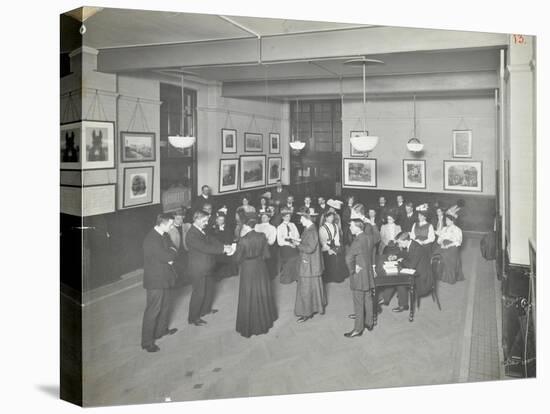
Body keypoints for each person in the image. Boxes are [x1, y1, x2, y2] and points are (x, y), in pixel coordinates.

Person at [234, 213, 278, 337]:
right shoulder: (262, 236)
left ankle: (251, 325)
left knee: (249, 294)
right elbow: (267, 255)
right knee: (262, 291)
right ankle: (266, 320)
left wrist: (233, 251)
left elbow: (237, 259)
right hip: (260, 265)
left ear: (246, 226)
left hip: (248, 268)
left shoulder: (243, 240)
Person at [186, 210, 232, 326]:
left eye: (206, 220)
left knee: (209, 290)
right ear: (196, 219)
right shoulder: (191, 234)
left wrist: (223, 245)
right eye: (204, 221)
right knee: (199, 293)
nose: (206, 223)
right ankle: (193, 317)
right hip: (198, 269)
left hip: (207, 266)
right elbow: (205, 247)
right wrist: (223, 250)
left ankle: (205, 310)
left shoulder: (202, 230)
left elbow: (212, 240)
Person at [141, 213, 179, 353]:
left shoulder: (164, 235)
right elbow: (168, 255)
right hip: (155, 280)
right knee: (153, 310)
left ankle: (161, 331)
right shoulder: (151, 239)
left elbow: (173, 249)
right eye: (170, 224)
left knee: (166, 305)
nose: (172, 227)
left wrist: (171, 254)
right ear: (162, 223)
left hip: (165, 276)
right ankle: (147, 342)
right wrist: (171, 254)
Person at [381, 231, 434, 312]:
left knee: (399, 280)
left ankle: (403, 305)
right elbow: (404, 254)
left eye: (399, 243)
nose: (399, 245)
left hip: (422, 276)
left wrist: (400, 261)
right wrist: (396, 256)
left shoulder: (417, 248)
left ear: (405, 241)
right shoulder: (411, 244)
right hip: (416, 269)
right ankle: (385, 299)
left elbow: (411, 265)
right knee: (393, 275)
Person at [344, 219, 376, 338]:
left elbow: (348, 258)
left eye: (352, 226)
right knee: (368, 298)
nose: (350, 228)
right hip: (367, 272)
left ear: (358, 227)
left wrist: (352, 269)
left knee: (358, 302)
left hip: (359, 274)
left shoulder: (357, 241)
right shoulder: (369, 237)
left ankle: (358, 329)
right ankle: (369, 323)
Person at [293, 209, 326, 322]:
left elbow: (309, 248)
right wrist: (300, 241)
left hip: (308, 264)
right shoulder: (310, 229)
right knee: (313, 287)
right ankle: (315, 308)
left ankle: (306, 313)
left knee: (305, 289)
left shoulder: (311, 231)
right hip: (312, 264)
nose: (300, 220)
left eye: (302, 218)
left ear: (307, 219)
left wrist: (298, 244)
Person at [435, 214, 464, 284]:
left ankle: (448, 277)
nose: (446, 221)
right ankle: (438, 275)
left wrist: (448, 246)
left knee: (446, 255)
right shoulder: (444, 228)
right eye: (446, 220)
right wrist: (441, 243)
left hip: (452, 246)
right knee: (435, 254)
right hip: (443, 245)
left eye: (448, 220)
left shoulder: (457, 229)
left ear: (452, 221)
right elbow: (439, 239)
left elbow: (458, 241)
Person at [319, 210, 347, 283]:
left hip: (334, 245)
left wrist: (338, 247)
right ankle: (329, 277)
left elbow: (337, 238)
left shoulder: (335, 226)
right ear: (326, 218)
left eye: (332, 217)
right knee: (330, 259)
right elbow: (322, 241)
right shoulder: (322, 228)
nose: (332, 218)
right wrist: (329, 249)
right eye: (330, 217)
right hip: (326, 246)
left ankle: (337, 277)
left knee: (339, 256)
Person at [210, 213, 237, 279]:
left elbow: (230, 237)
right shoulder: (213, 228)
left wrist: (227, 244)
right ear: (216, 220)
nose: (221, 221)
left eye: (222, 220)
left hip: (226, 245)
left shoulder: (227, 228)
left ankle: (227, 273)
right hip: (218, 246)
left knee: (227, 259)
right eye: (219, 220)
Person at [276, 208, 300, 284]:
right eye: (286, 216)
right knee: (291, 258)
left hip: (293, 243)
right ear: (283, 217)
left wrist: (294, 241)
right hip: (285, 246)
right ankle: (287, 278)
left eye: (289, 216)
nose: (288, 218)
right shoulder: (280, 227)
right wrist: (289, 244)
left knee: (298, 257)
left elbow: (297, 235)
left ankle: (296, 276)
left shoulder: (292, 225)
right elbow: (279, 241)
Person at [167, 207, 191, 283]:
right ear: (173, 218)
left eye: (181, 218)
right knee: (178, 269)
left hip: (185, 250)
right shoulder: (169, 228)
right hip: (175, 252)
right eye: (178, 218)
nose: (180, 220)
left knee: (186, 266)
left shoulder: (187, 226)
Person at [255, 211, 279, 279]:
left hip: (267, 248)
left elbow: (271, 241)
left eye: (265, 217)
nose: (263, 218)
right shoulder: (257, 226)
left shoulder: (272, 228)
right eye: (262, 217)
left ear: (269, 218)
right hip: (256, 247)